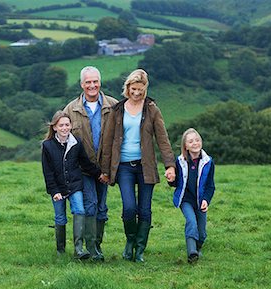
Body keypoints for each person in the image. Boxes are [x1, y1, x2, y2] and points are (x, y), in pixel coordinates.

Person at [101, 69, 176, 263]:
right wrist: (105, 170)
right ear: (127, 88)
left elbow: (163, 139)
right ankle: (130, 241)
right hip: (124, 166)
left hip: (146, 166)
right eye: (133, 89)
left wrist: (170, 165)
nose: (136, 93)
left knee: (144, 210)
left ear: (145, 88)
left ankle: (140, 249)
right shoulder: (117, 110)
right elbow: (108, 142)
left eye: (140, 89)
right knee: (128, 208)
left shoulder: (152, 109)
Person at [63, 66, 118, 261]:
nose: (92, 85)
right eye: (88, 82)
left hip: (106, 169)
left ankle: (97, 245)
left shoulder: (114, 106)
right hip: (83, 170)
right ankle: (91, 249)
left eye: (95, 81)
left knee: (102, 208)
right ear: (81, 85)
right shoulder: (71, 109)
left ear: (100, 83)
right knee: (91, 204)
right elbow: (61, 139)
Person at [41, 111, 103, 259]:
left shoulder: (76, 143)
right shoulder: (47, 146)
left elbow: (85, 163)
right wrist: (54, 190)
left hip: (75, 185)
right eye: (61, 125)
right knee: (60, 218)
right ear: (54, 127)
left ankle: (78, 249)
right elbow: (47, 172)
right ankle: (60, 250)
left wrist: (99, 174)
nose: (64, 128)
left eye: (67, 125)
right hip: (57, 188)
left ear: (71, 126)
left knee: (80, 210)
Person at [168, 128, 215, 263]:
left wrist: (206, 199)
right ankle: (191, 252)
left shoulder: (208, 162)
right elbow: (176, 183)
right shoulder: (180, 162)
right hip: (186, 199)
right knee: (191, 222)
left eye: (197, 140)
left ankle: (198, 247)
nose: (195, 143)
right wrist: (170, 179)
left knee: (202, 233)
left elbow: (210, 186)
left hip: (200, 200)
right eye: (191, 141)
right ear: (185, 146)